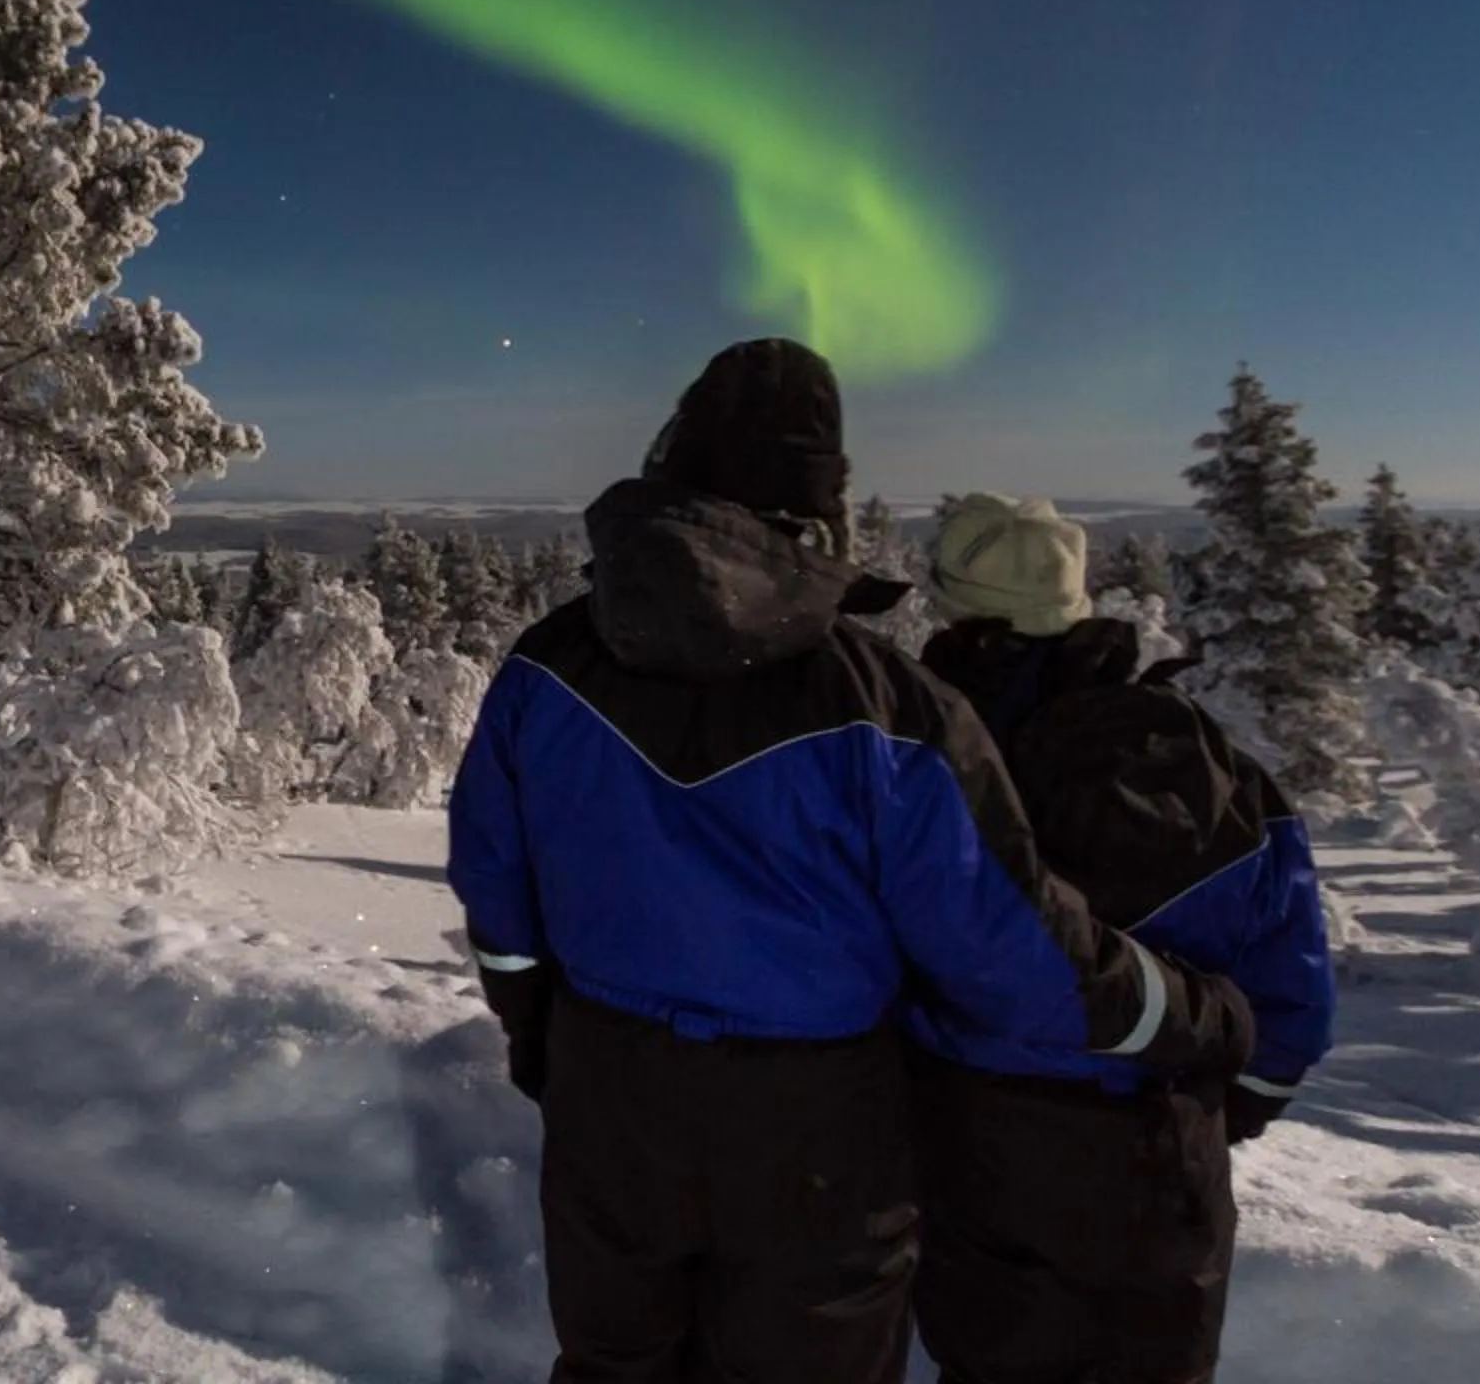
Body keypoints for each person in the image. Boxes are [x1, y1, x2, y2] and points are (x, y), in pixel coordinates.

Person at [447, 341, 1254, 1384]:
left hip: (611, 1087)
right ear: (819, 502)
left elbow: (497, 886)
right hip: (816, 1124)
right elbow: (1011, 953)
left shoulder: (548, 662)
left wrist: (542, 1035)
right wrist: (1185, 1012)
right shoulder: (889, 707)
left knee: (614, 1363)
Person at [906, 494, 1337, 1384]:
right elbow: (1292, 989)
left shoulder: (933, 766)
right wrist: (1218, 1110)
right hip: (1170, 1158)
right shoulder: (1214, 764)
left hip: (990, 1154)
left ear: (956, 613)